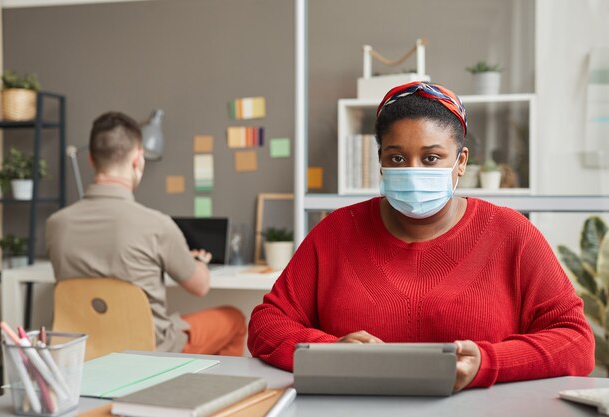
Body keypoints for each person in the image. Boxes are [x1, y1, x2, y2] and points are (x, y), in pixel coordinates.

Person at [248, 82, 595, 390]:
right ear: (380, 161)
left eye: (431, 158)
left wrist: (488, 362)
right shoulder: (336, 231)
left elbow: (576, 342)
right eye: (397, 157)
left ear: (461, 162)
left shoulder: (512, 234)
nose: (412, 171)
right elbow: (266, 325)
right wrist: (329, 351)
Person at [47, 111, 246, 356]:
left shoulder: (56, 225)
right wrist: (197, 263)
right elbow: (200, 287)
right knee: (234, 318)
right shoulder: (157, 225)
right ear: (137, 160)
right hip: (150, 351)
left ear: (90, 160)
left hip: (84, 350)